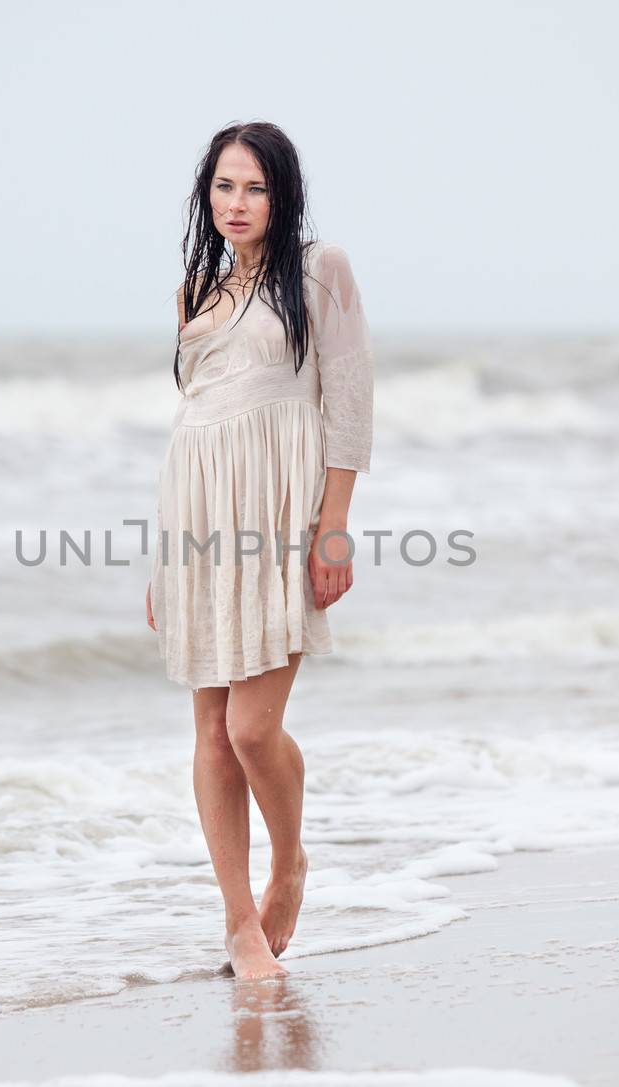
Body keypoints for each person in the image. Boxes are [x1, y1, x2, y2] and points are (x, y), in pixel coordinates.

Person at [142, 121, 375, 980]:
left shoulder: (321, 272)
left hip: (280, 511)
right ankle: (239, 924)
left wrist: (334, 522)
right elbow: (192, 422)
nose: (236, 205)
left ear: (283, 195)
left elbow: (347, 403)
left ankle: (290, 863)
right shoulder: (194, 290)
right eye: (223, 188)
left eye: (255, 189)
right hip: (196, 514)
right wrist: (163, 554)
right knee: (208, 727)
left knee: (251, 727)